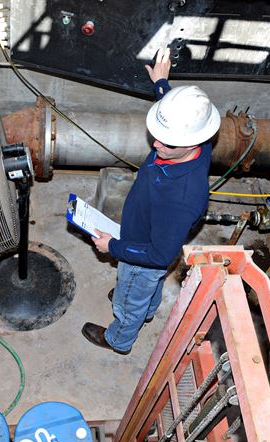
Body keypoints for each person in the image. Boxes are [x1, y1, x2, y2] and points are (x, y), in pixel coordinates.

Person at [81, 48, 221, 355]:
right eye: (156, 134)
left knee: (130, 298)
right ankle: (144, 305)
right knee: (148, 288)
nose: (155, 144)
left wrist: (113, 248)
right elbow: (176, 121)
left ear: (191, 143)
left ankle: (119, 338)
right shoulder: (196, 140)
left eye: (166, 142)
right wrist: (161, 85)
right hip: (147, 233)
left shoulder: (181, 198)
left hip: (142, 252)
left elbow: (158, 256)